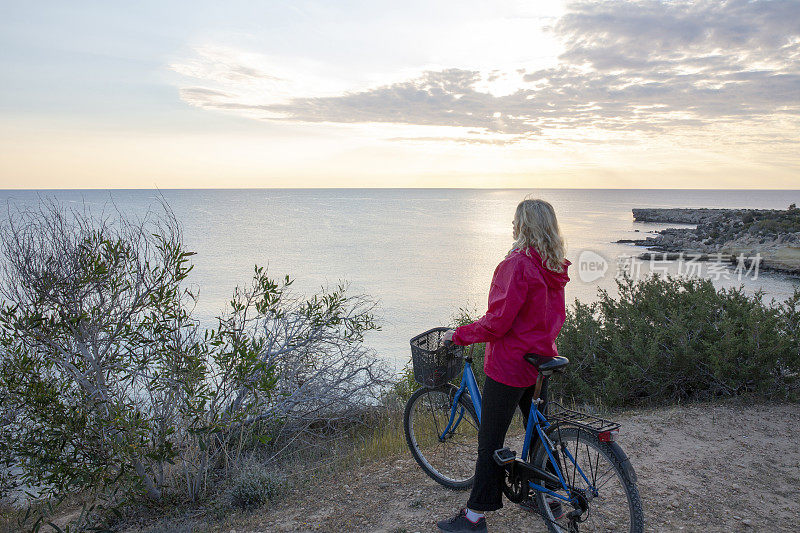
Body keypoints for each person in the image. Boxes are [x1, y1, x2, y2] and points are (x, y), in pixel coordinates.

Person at [436, 198, 571, 533]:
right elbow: (555, 317)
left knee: (491, 441)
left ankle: (474, 517)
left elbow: (497, 323)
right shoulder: (554, 265)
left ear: (520, 225)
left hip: (511, 364)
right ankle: (548, 496)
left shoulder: (517, 265)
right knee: (538, 431)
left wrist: (460, 335)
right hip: (540, 359)